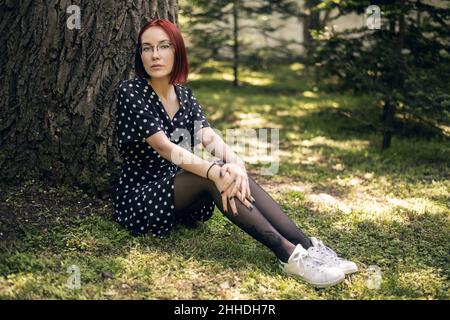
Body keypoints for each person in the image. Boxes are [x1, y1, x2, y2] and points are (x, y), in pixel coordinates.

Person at [112, 19, 358, 288]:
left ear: (177, 51)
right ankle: (289, 256)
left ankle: (308, 246)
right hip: (141, 196)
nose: (155, 55)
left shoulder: (184, 94)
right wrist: (215, 171)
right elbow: (163, 147)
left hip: (177, 192)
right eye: (147, 48)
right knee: (213, 175)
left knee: (228, 171)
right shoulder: (131, 91)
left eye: (163, 46)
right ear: (141, 55)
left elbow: (208, 135)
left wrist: (236, 165)